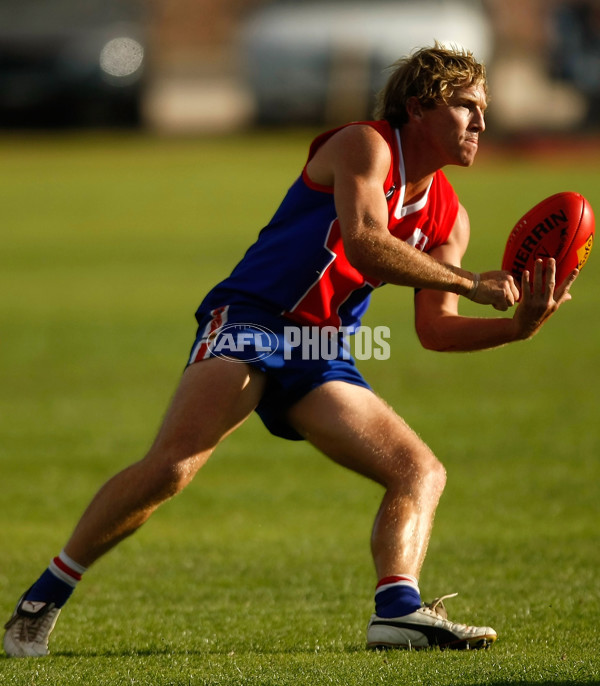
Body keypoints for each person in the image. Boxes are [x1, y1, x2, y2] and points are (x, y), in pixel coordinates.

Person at [4, 43, 578, 657]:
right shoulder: (368, 145)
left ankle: (399, 612)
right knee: (173, 466)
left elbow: (436, 330)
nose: (482, 124)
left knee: (419, 471)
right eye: (466, 106)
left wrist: (516, 329)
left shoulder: (450, 217)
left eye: (483, 110)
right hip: (253, 318)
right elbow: (363, 242)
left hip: (316, 346)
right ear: (419, 107)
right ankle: (42, 599)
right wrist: (470, 283)